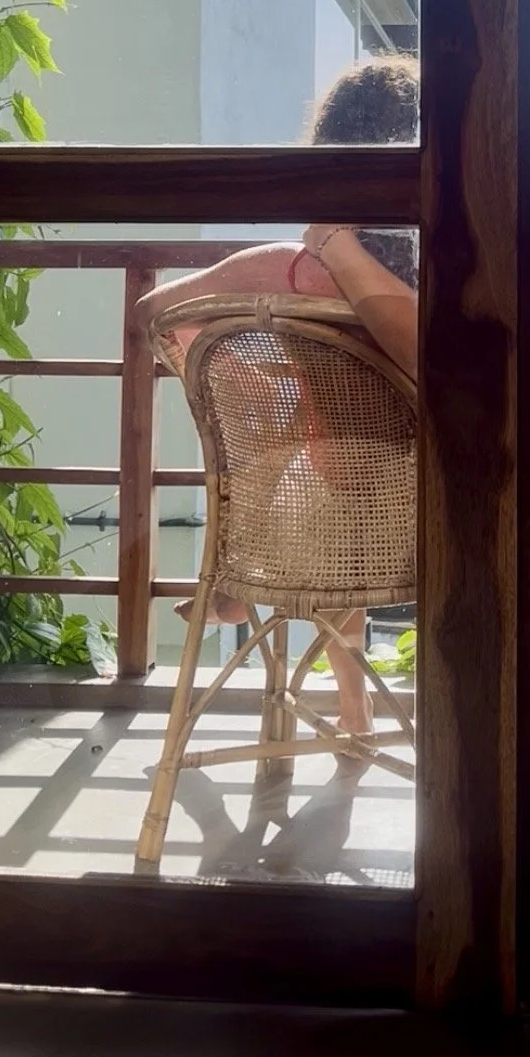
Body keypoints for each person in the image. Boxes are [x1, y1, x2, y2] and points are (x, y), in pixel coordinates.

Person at [137, 56, 419, 740]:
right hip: (431, 526)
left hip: (311, 531)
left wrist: (233, 375)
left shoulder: (279, 271)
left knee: (312, 454)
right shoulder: (456, 276)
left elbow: (152, 313)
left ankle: (346, 700)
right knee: (347, 459)